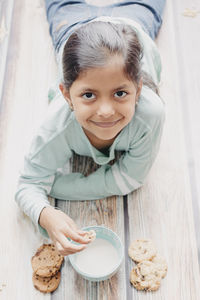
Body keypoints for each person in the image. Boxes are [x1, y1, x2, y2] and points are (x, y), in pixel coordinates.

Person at [15, 0, 166, 256]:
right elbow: (27, 185)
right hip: (74, 30)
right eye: (88, 95)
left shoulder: (149, 115)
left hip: (131, 30)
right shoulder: (58, 127)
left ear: (138, 89)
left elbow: (130, 178)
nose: (106, 110)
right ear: (65, 94)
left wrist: (54, 187)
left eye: (120, 92)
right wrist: (46, 214)